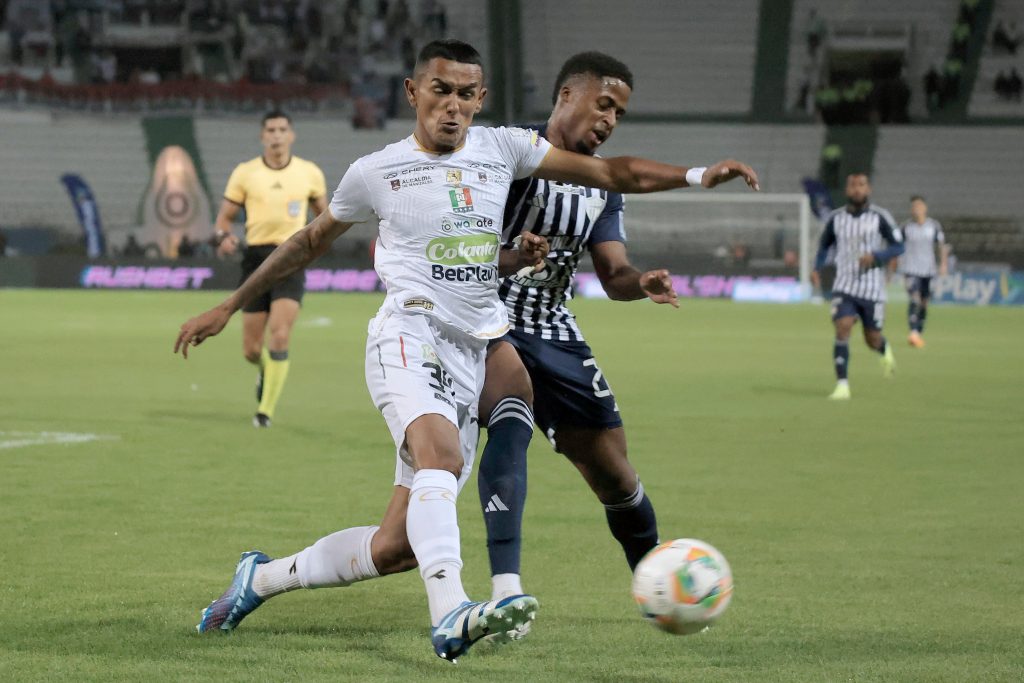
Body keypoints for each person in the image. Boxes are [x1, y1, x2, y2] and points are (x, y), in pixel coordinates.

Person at [173, 39, 759, 662]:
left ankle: (258, 578)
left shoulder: (504, 149)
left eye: (465, 95)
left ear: (481, 99)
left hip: (476, 344)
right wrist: (230, 305)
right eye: (440, 91)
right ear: (413, 92)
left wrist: (697, 175)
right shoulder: (375, 170)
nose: (452, 107)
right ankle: (455, 611)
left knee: (395, 546)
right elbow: (308, 241)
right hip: (407, 335)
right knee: (443, 458)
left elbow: (613, 175)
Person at [475, 52, 718, 606]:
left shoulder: (603, 186)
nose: (609, 119)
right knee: (509, 417)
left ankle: (659, 587)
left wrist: (642, 282)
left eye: (619, 113)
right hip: (486, 316)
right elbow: (463, 239)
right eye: (602, 104)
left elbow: (613, 275)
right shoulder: (509, 153)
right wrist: (513, 254)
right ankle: (506, 586)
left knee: (615, 474)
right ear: (565, 97)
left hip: (553, 326)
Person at [214, 110, 328, 428]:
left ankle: (264, 412)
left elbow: (326, 217)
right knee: (251, 349)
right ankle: (266, 369)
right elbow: (224, 219)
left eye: (282, 129)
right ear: (262, 136)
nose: (276, 135)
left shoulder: (309, 173)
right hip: (255, 259)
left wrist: (315, 245)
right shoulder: (245, 173)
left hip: (291, 257)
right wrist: (223, 237)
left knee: (279, 335)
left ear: (291, 135)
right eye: (271, 130)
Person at [811, 174, 904, 401]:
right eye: (852, 185)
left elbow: (898, 246)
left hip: (872, 288)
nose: (856, 190)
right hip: (844, 284)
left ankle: (884, 350)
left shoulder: (880, 217)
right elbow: (824, 246)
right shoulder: (836, 218)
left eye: (861, 185)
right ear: (847, 189)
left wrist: (876, 255)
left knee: (872, 339)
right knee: (843, 327)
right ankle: (842, 385)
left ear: (868, 189)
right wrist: (816, 267)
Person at [900, 196, 948, 348]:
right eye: (914, 207)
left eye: (919, 206)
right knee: (914, 299)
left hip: (928, 270)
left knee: (924, 303)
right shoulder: (905, 227)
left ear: (925, 208)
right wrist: (893, 267)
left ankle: (918, 332)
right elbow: (896, 247)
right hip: (911, 269)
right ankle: (913, 332)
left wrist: (943, 265)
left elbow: (941, 246)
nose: (916, 209)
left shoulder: (934, 226)